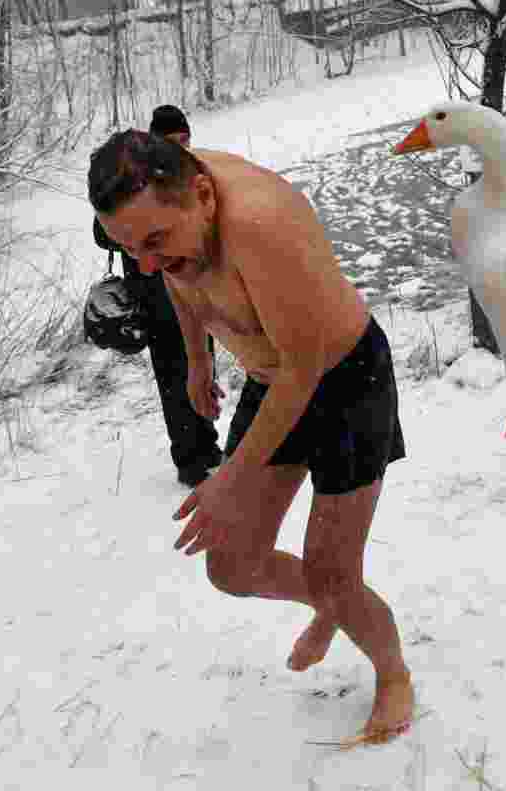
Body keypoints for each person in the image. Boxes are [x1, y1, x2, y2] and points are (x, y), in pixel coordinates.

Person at [87, 129, 414, 744]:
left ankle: (392, 670)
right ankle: (331, 602)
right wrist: (197, 360)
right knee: (233, 566)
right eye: (131, 250)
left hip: (344, 377)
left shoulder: (262, 225)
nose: (146, 264)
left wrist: (229, 479)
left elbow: (307, 367)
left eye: (154, 242)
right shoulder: (169, 210)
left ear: (204, 194)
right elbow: (173, 273)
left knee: (333, 570)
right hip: (276, 375)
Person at [92, 105, 222, 487]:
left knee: (202, 367)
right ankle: (188, 459)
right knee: (172, 379)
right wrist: (141, 235)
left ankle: (209, 444)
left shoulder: (190, 173)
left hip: (194, 290)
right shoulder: (130, 178)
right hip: (155, 297)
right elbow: (103, 233)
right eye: (171, 141)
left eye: (184, 140)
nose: (179, 147)